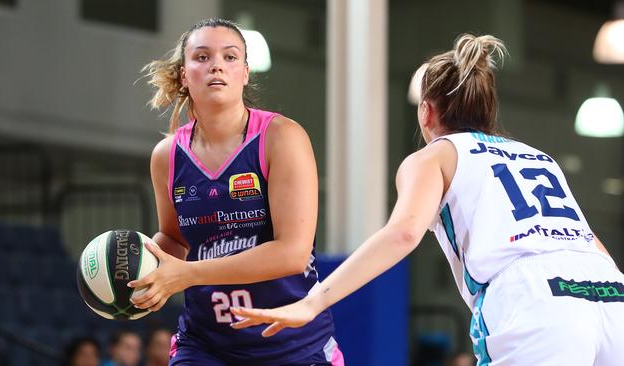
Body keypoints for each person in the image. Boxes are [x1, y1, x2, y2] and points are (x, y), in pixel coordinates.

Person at [231, 34, 624, 365]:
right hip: (610, 291)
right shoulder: (540, 157)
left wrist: (312, 302)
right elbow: (592, 244)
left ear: (425, 111)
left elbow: (403, 234)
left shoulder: (434, 155)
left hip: (536, 298)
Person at [129, 17, 343, 366]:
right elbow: (175, 240)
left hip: (290, 343)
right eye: (201, 57)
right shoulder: (166, 156)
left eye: (229, 57)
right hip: (206, 343)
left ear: (245, 73)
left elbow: (292, 253)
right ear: (184, 75)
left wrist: (186, 274)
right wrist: (143, 269)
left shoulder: (281, 137)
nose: (216, 65)